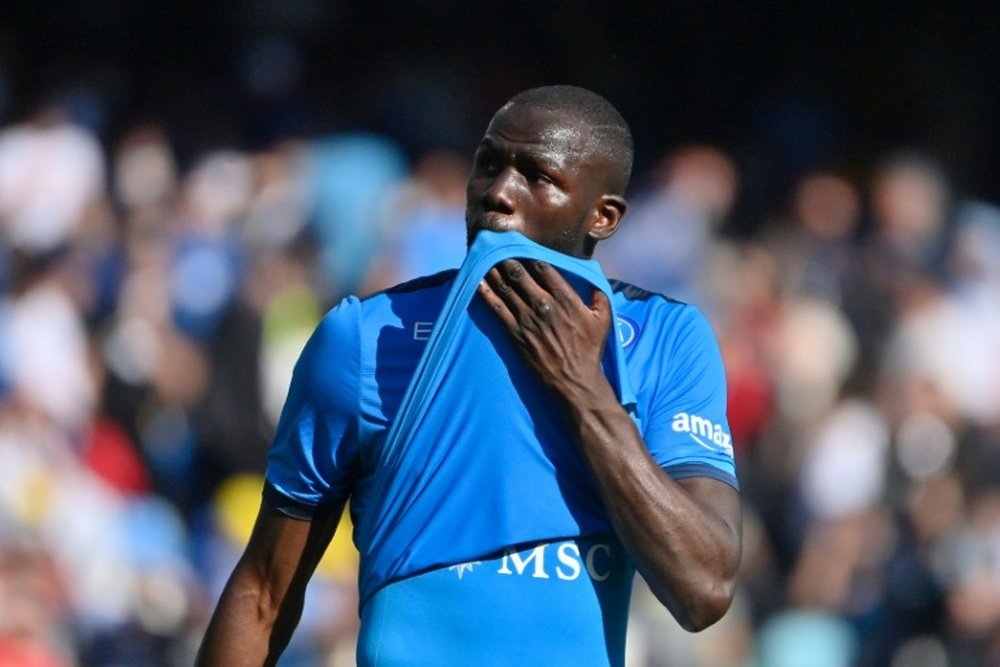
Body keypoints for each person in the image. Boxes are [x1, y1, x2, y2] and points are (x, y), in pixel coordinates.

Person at [196, 85, 742, 666]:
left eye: (538, 176)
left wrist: (583, 389)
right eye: (488, 164)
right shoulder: (367, 337)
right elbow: (264, 592)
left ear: (603, 216)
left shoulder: (664, 340)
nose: (499, 193)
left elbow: (703, 589)